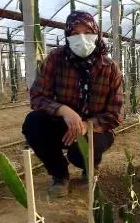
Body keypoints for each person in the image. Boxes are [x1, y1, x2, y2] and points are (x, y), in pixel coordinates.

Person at [22, 11, 123, 198]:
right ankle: (59, 175)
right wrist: (63, 110)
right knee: (33, 123)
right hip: (62, 123)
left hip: (96, 130)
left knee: (79, 154)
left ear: (97, 34)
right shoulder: (55, 59)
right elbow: (37, 96)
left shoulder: (110, 69)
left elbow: (115, 115)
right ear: (67, 36)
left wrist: (87, 126)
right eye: (75, 33)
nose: (81, 38)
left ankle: (90, 164)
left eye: (87, 32)